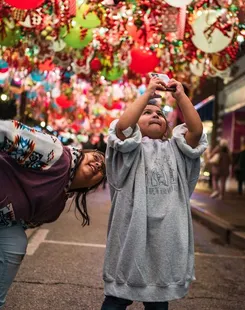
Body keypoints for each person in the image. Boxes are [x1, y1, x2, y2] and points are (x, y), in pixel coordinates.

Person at [101, 77, 207, 310]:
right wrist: (148, 93)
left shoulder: (177, 150)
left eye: (159, 113)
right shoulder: (128, 150)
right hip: (130, 238)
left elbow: (196, 131)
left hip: (165, 243)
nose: (155, 115)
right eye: (147, 112)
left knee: (158, 303)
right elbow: (122, 128)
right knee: (117, 298)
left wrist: (180, 96)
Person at [0, 119, 106, 309]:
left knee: (16, 242)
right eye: (97, 156)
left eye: (103, 170)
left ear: (93, 186)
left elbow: (23, 222)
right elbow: (6, 132)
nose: (99, 163)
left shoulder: (55, 207)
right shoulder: (56, 155)